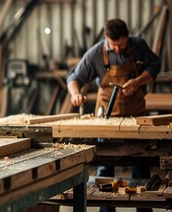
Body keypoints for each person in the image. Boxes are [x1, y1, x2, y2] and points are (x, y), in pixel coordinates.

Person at [67, 18, 160, 212]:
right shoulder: (96, 54)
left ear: (128, 37)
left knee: (141, 168)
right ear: (105, 38)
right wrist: (75, 93)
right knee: (105, 169)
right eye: (113, 45)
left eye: (121, 44)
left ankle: (144, 208)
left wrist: (139, 81)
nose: (117, 49)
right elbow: (74, 77)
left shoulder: (138, 45)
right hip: (107, 121)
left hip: (136, 120)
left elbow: (154, 66)